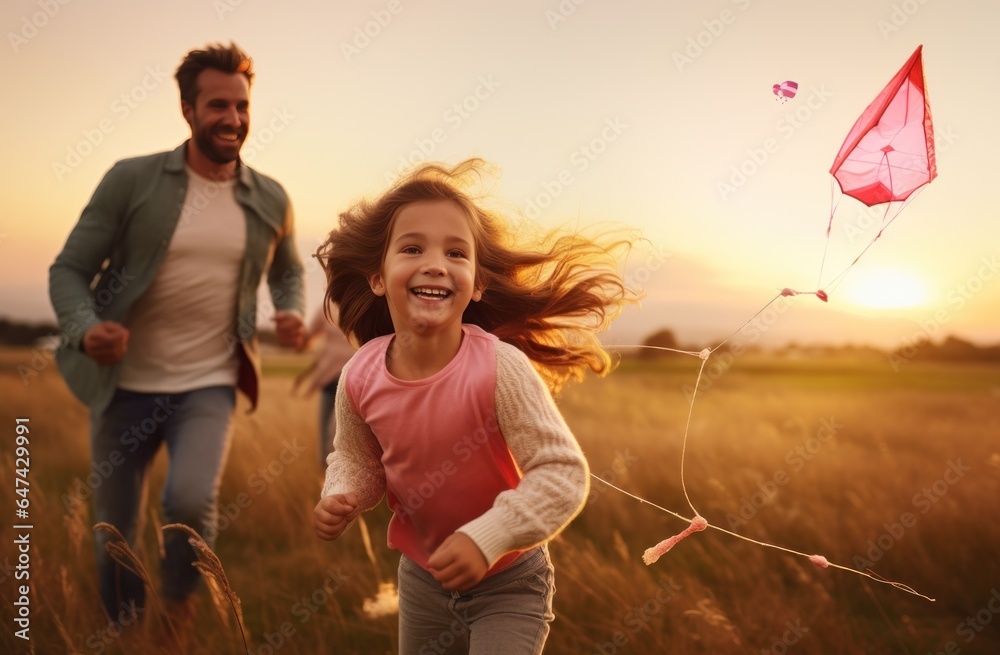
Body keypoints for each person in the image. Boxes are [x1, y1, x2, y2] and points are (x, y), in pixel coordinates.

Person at [312, 160, 633, 654]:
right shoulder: (360, 374)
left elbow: (562, 473)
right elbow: (357, 459)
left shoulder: (500, 368)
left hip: (509, 581)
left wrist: (491, 536)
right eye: (413, 248)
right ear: (379, 277)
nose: (436, 263)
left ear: (478, 283)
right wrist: (343, 494)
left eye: (456, 252)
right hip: (421, 580)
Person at [48, 42, 307, 633]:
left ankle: (178, 609)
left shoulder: (270, 197)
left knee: (189, 503)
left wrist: (289, 309)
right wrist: (86, 331)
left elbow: (287, 269)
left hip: (208, 384)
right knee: (114, 530)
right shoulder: (131, 180)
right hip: (122, 386)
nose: (234, 120)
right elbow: (67, 268)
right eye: (219, 106)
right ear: (188, 110)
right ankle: (125, 629)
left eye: (242, 106)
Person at [295, 308, 355, 467]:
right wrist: (297, 335)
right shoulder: (326, 309)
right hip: (328, 380)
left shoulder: (366, 303)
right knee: (323, 448)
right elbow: (304, 341)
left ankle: (342, 483)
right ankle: (325, 486)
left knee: (334, 436)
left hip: (352, 382)